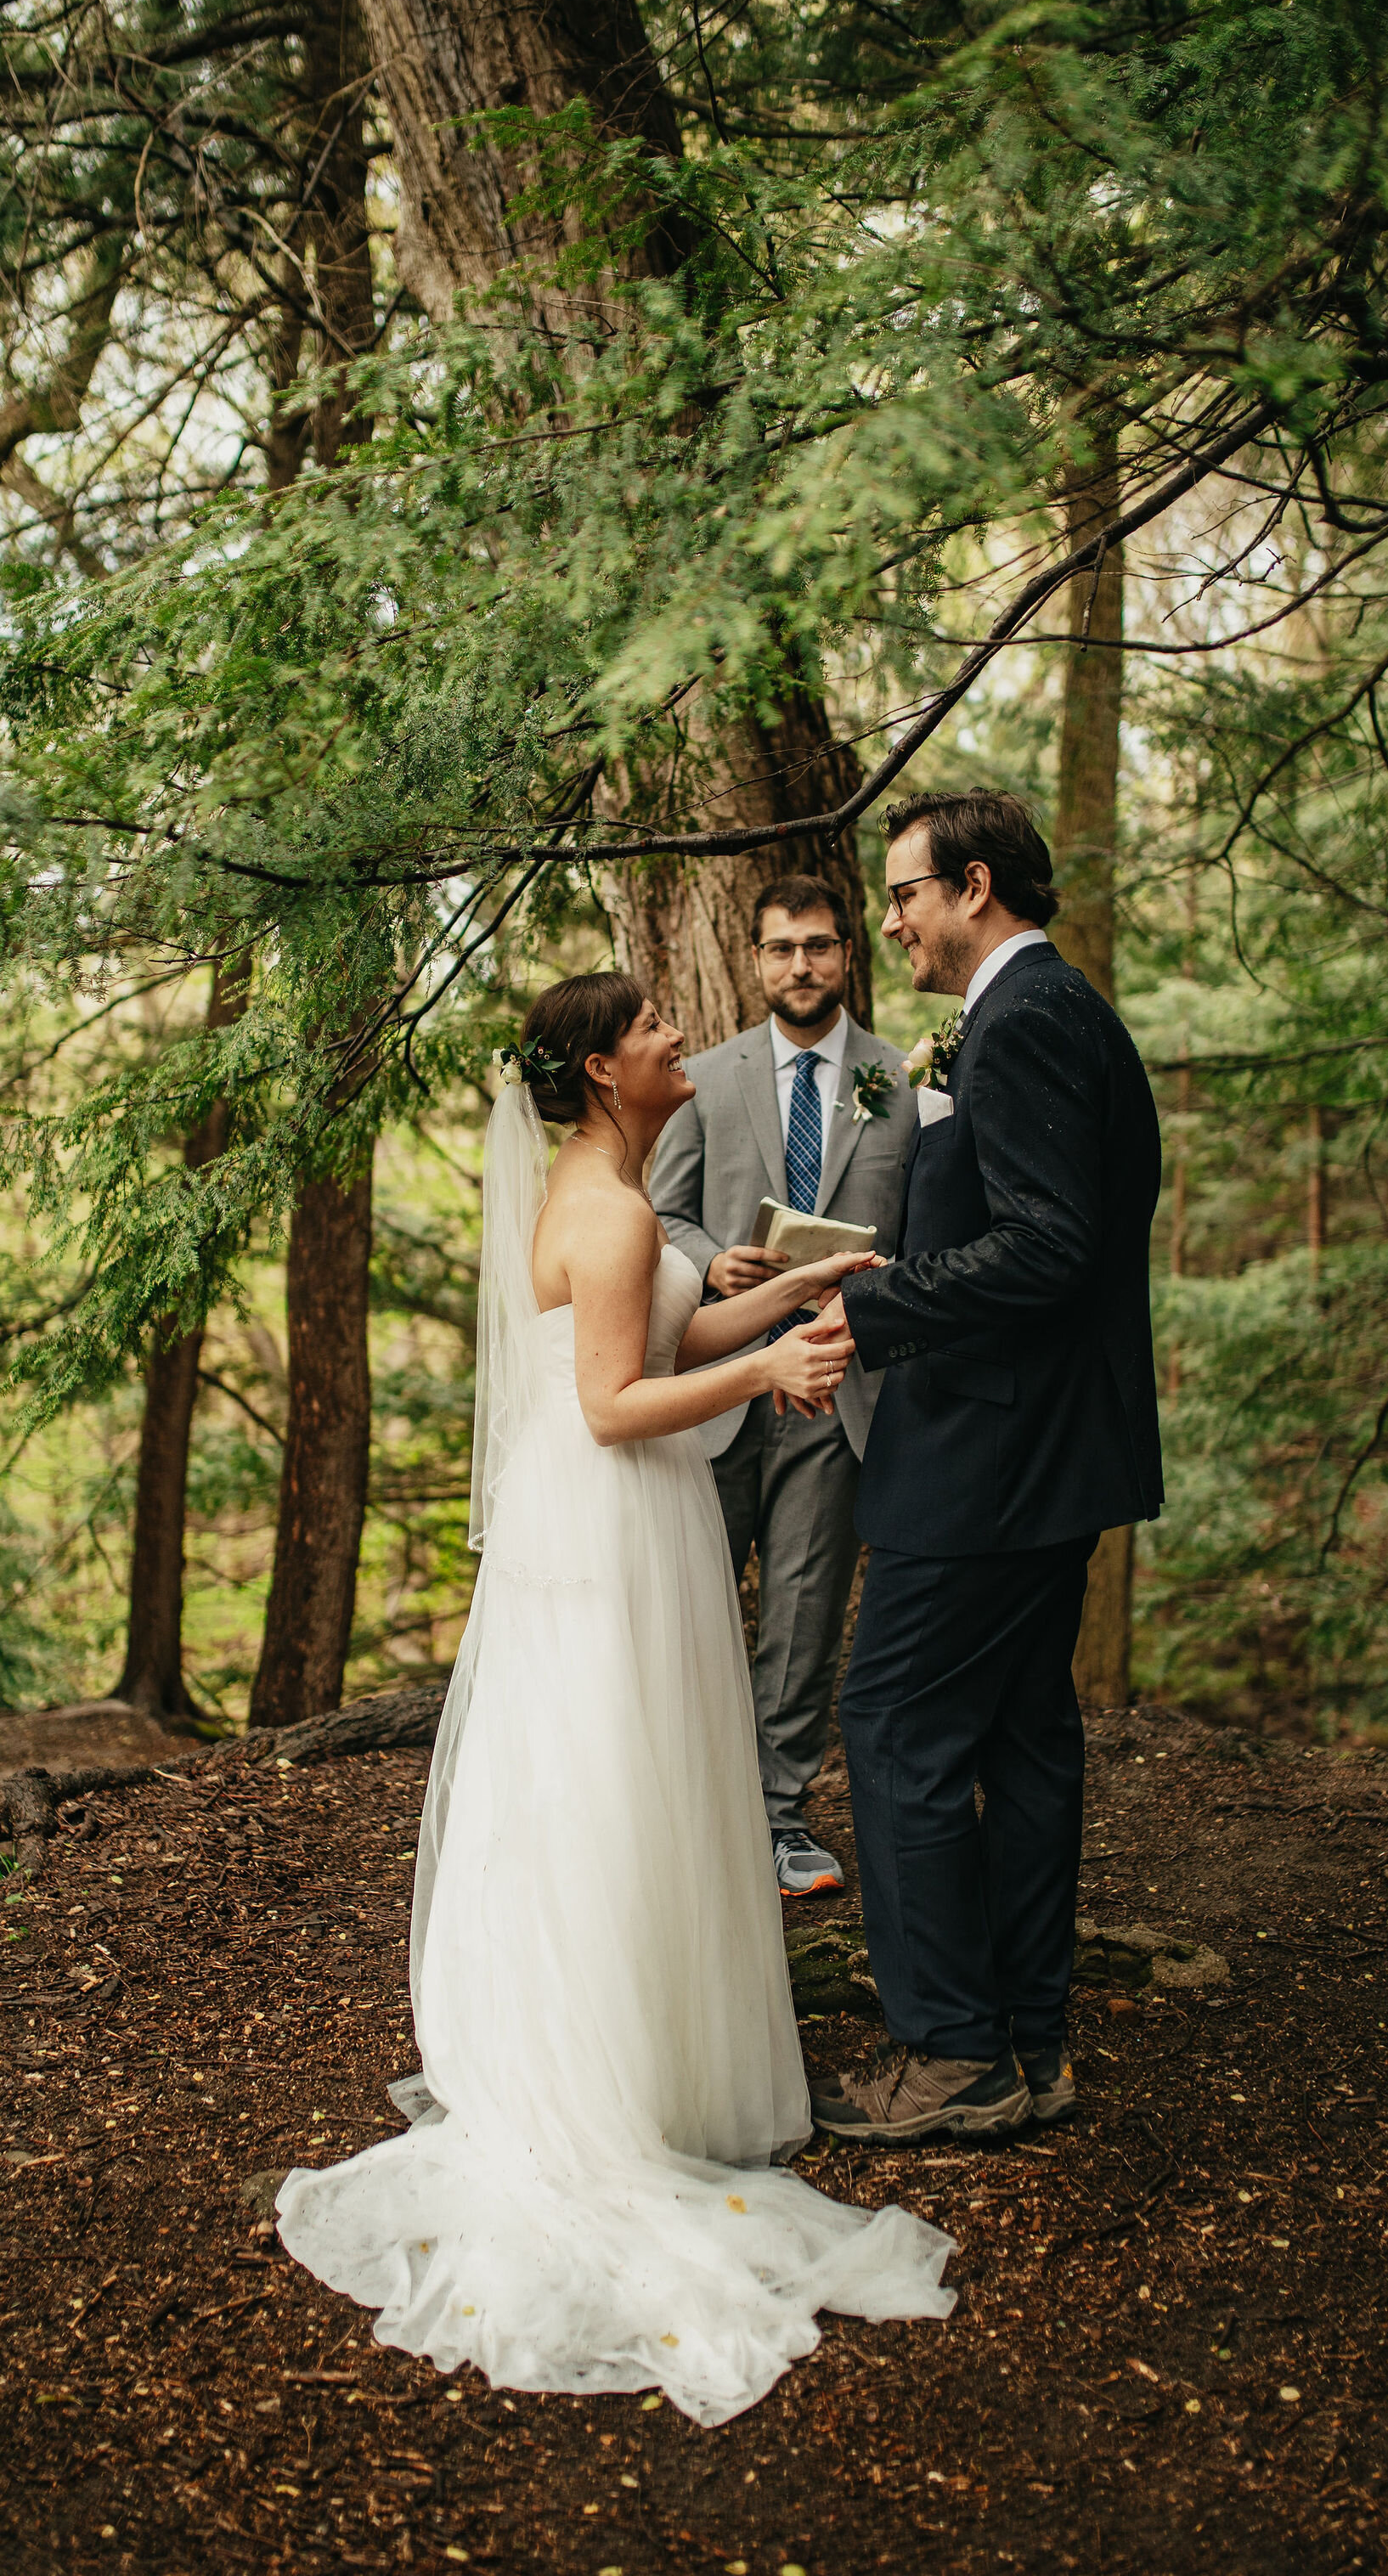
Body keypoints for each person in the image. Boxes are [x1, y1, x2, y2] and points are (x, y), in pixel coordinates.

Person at [274, 972, 952, 2426]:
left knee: (608, 1790)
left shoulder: (612, 1188)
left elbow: (654, 1344)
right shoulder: (616, 1205)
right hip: (606, 1517)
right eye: (651, 1031)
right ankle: (596, 2076)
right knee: (601, 1791)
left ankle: (631, 2048)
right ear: (600, 1067)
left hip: (607, 1520)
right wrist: (770, 1361)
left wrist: (786, 1293)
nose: (675, 1044)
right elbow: (606, 1401)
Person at [798, 791, 1164, 2145]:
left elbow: (1053, 1245)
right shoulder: (1034, 1019)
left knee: (892, 1725)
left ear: (976, 885)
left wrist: (883, 1309)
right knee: (1022, 1739)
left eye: (903, 893)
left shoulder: (1027, 1023)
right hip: (1037, 1445)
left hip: (995, 1454)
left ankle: (952, 2054)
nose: (889, 919)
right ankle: (1025, 2041)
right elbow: (1035, 1230)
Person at [652, 875, 917, 1899]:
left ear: (846, 954)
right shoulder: (702, 1082)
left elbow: (921, 1230)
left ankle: (775, 1823)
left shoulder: (905, 1080)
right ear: (755, 959)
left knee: (803, 1614)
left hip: (840, 1388)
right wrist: (712, 1262)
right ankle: (681, 1812)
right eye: (778, 949)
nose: (798, 965)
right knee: (686, 1604)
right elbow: (661, 1217)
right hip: (716, 1382)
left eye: (816, 946)